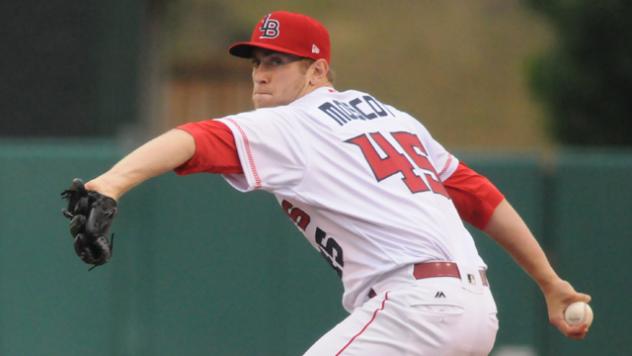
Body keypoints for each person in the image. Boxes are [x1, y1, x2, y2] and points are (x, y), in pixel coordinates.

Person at [81, 11, 590, 355]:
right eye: (257, 62)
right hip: (476, 312)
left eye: (277, 62)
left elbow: (193, 138)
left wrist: (109, 183)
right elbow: (480, 198)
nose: (260, 74)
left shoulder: (293, 123)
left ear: (318, 69)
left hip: (414, 310)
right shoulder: (392, 118)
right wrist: (549, 282)